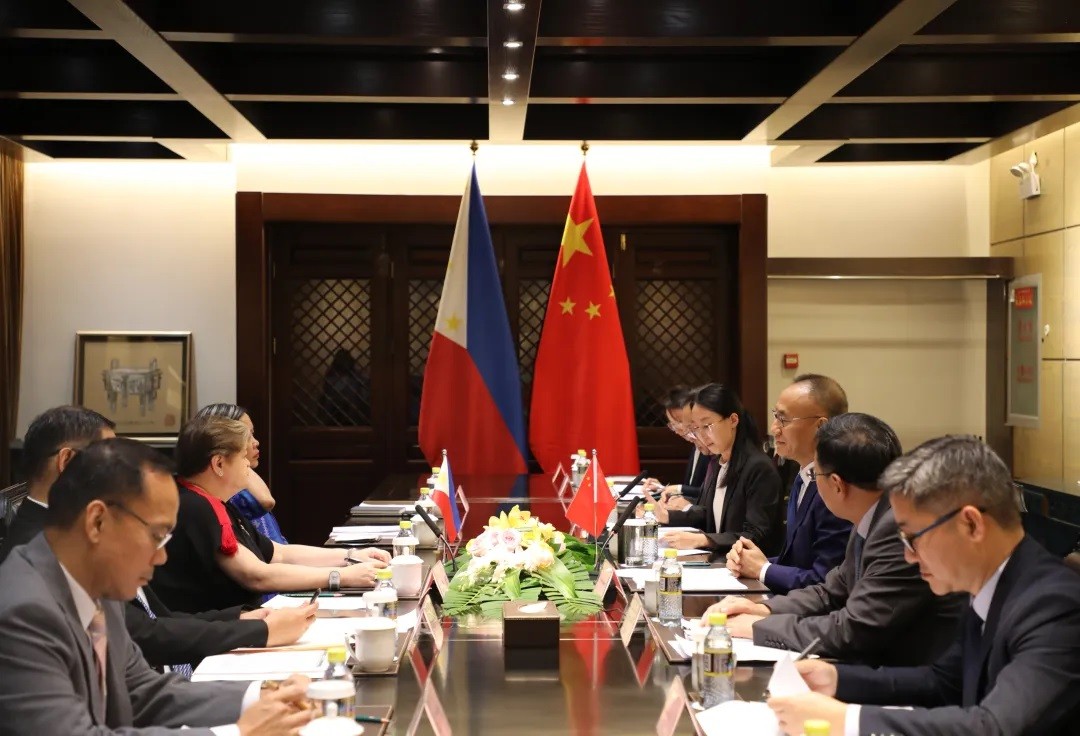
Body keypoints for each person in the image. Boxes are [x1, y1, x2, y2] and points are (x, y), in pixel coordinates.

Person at [768, 436, 1080, 736]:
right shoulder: (989, 585)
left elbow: (996, 727)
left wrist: (848, 719)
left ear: (971, 524)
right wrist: (837, 679)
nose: (908, 556)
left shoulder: (1054, 606)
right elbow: (943, 683)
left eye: (913, 538)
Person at [0, 437, 315, 734]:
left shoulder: (96, 582)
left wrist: (263, 696)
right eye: (157, 535)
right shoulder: (23, 613)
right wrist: (238, 732)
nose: (162, 556)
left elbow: (142, 691)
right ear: (97, 521)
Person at [703, 413, 964, 666]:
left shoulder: (893, 528)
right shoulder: (870, 515)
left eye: (816, 474)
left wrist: (760, 627)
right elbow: (831, 591)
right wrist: (764, 609)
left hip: (905, 676)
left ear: (837, 484)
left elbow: (853, 629)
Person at [151, 415, 390, 613]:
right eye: (242, 457)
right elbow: (257, 575)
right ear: (219, 464)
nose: (248, 465)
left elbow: (279, 553)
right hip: (215, 640)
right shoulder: (195, 507)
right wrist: (341, 576)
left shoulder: (216, 503)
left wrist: (351, 555)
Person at [726, 374, 852, 593]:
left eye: (783, 419)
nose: (774, 428)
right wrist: (750, 561)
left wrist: (763, 569)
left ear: (821, 426)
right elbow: (795, 561)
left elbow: (826, 581)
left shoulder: (835, 487)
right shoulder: (803, 476)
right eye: (775, 416)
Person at [643, 383, 782, 556]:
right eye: (696, 428)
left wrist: (704, 540)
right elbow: (707, 513)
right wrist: (667, 516)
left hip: (746, 567)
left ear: (733, 420)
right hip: (718, 560)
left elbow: (756, 534)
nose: (701, 435)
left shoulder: (758, 467)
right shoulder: (716, 462)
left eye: (707, 425)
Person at [0, 406, 116, 566]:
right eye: (109, 460)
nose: (117, 473)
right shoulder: (43, 552)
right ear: (67, 460)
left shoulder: (51, 532)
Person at [196, 403, 286, 545]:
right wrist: (236, 455)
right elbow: (266, 501)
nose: (256, 442)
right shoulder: (227, 490)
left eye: (252, 434)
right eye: (246, 436)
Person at [642, 386, 712, 509]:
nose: (679, 429)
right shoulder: (696, 446)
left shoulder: (711, 449)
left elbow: (708, 495)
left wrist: (678, 489)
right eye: (673, 424)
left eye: (680, 422)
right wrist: (664, 489)